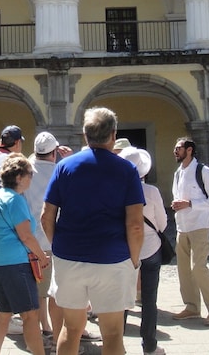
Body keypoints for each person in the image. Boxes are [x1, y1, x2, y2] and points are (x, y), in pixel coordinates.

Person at [41, 107, 145, 355]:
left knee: (71, 328)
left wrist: (59, 247)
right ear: (113, 134)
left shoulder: (64, 167)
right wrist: (134, 258)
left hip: (69, 256)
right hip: (113, 257)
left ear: (85, 136)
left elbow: (46, 215)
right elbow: (135, 224)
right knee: (112, 334)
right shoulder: (126, 170)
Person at [0, 153, 50, 355]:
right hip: (15, 262)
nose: (31, 178)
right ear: (19, 177)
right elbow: (26, 236)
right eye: (30, 174)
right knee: (30, 315)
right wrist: (42, 256)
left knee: (3, 314)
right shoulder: (15, 200)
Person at [25, 131, 78, 345]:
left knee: (38, 293)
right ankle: (57, 338)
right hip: (57, 241)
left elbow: (33, 158)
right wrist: (69, 157)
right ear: (55, 152)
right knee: (56, 294)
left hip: (33, 241)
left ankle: (41, 332)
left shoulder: (27, 170)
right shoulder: (61, 170)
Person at [170, 137, 209, 325]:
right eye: (175, 148)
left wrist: (190, 203)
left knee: (199, 268)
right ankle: (192, 307)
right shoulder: (178, 173)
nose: (175, 151)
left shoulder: (203, 171)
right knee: (184, 270)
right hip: (182, 226)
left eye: (179, 148)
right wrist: (177, 205)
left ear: (189, 150)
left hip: (200, 225)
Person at [120, 146, 166, 355]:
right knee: (149, 300)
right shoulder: (152, 191)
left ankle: (116, 344)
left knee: (122, 299)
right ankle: (149, 345)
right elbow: (163, 224)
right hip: (151, 248)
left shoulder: (116, 191)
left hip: (125, 249)